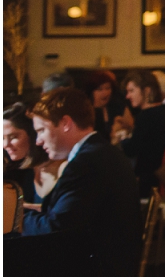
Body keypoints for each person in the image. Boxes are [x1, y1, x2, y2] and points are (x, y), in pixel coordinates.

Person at [22, 87, 142, 276]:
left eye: (41, 130)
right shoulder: (102, 151)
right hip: (113, 261)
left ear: (66, 123)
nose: (38, 141)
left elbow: (58, 228)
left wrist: (15, 219)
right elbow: (75, 211)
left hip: (97, 269)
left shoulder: (87, 163)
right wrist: (30, 210)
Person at [114, 69, 165, 197]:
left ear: (147, 91)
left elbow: (131, 150)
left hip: (148, 180)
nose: (127, 96)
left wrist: (121, 139)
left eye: (131, 91)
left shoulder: (146, 117)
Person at [3, 102, 61, 204]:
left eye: (13, 137)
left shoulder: (60, 169)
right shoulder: (17, 172)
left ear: (33, 135)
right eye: (2, 138)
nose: (5, 144)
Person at [81, 70, 126, 141]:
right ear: (92, 92)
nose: (105, 93)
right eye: (100, 89)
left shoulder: (117, 107)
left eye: (108, 88)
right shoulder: (86, 112)